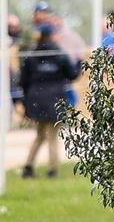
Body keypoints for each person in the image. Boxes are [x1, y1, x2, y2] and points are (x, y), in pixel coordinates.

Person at [18, 21, 82, 177]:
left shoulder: (32, 55)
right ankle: (52, 170)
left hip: (36, 99)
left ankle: (28, 167)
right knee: (52, 136)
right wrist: (79, 62)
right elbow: (72, 75)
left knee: (40, 135)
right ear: (52, 35)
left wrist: (26, 103)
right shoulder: (59, 54)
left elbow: (23, 81)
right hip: (55, 99)